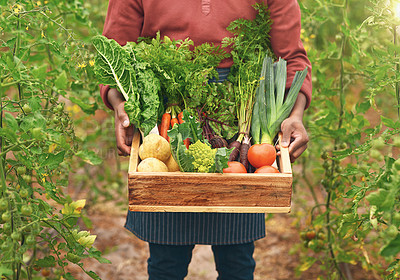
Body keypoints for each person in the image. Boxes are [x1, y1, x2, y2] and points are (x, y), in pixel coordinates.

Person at [99, 1, 312, 279]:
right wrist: (119, 104)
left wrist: (295, 114)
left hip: (237, 121)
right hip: (168, 117)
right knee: (166, 261)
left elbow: (292, 58)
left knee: (237, 259)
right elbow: (115, 53)